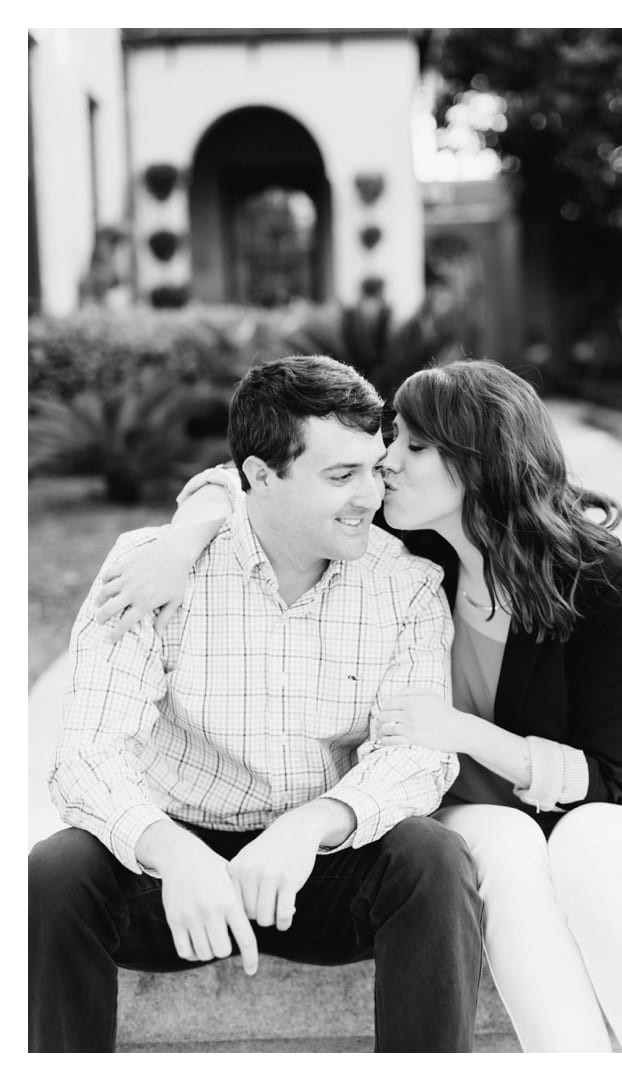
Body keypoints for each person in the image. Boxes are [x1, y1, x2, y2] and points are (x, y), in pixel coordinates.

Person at [99, 359, 622, 1051]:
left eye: (414, 446)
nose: (385, 462)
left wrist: (465, 731)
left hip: (605, 808)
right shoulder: (412, 549)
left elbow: (609, 774)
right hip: (473, 808)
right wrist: (181, 543)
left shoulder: (605, 583)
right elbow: (245, 477)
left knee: (586, 851)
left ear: (482, 463)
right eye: (394, 437)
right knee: (508, 851)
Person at [29, 356, 484, 1053]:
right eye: (340, 476)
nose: (372, 493)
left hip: (320, 865)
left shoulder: (408, 584)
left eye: (374, 465)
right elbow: (86, 755)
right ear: (260, 476)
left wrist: (312, 826)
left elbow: (417, 755)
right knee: (55, 871)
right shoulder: (152, 569)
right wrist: (172, 851)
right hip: (175, 874)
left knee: (433, 857)